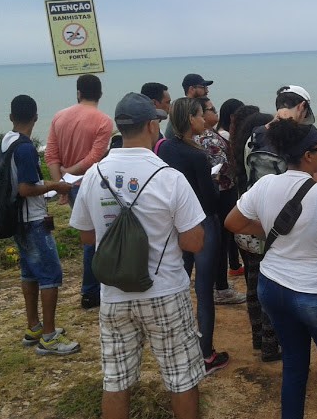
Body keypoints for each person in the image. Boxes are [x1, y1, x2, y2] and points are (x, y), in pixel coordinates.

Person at [70, 92, 207, 419]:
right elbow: (194, 243)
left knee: (115, 380)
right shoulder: (169, 177)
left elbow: (87, 236)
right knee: (181, 376)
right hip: (165, 291)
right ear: (150, 125)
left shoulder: (94, 175)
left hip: (114, 295)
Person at [226, 120, 317, 419]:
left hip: (273, 287)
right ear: (307, 156)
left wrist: (267, 230)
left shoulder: (265, 185)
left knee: (293, 364)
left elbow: (233, 222)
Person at [157, 97, 231, 375]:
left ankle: (177, 347)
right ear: (191, 119)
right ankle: (206, 355)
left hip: (173, 224)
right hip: (201, 225)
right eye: (201, 116)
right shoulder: (198, 155)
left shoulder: (162, 148)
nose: (204, 120)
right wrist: (212, 181)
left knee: (178, 283)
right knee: (203, 290)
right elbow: (211, 202)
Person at [6, 95, 78, 355]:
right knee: (50, 275)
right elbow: (25, 188)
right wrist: (55, 185)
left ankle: (34, 326)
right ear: (36, 117)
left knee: (29, 273)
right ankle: (49, 337)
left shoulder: (8, 141)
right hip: (33, 220)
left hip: (17, 220)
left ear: (11, 117)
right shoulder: (25, 149)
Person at [44, 73, 113, 309]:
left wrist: (61, 184)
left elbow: (50, 154)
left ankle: (92, 290)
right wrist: (69, 175)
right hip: (91, 185)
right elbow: (94, 157)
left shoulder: (59, 117)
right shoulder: (104, 121)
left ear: (79, 93)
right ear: (100, 94)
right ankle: (92, 291)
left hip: (71, 187)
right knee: (96, 238)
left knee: (89, 238)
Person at [230, 108, 281, 361]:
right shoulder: (265, 160)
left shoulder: (242, 155)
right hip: (261, 228)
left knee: (252, 284)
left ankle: (259, 338)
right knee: (267, 286)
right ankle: (272, 344)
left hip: (244, 228)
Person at [195, 96, 246, 305]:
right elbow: (222, 167)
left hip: (221, 192)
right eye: (209, 110)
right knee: (220, 241)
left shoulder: (208, 135)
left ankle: (220, 284)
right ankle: (221, 288)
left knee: (221, 241)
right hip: (222, 192)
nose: (214, 112)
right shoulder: (208, 139)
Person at [165, 73, 214, 139]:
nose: (207, 91)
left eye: (206, 87)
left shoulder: (190, 107)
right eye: (203, 87)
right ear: (191, 89)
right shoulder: (182, 109)